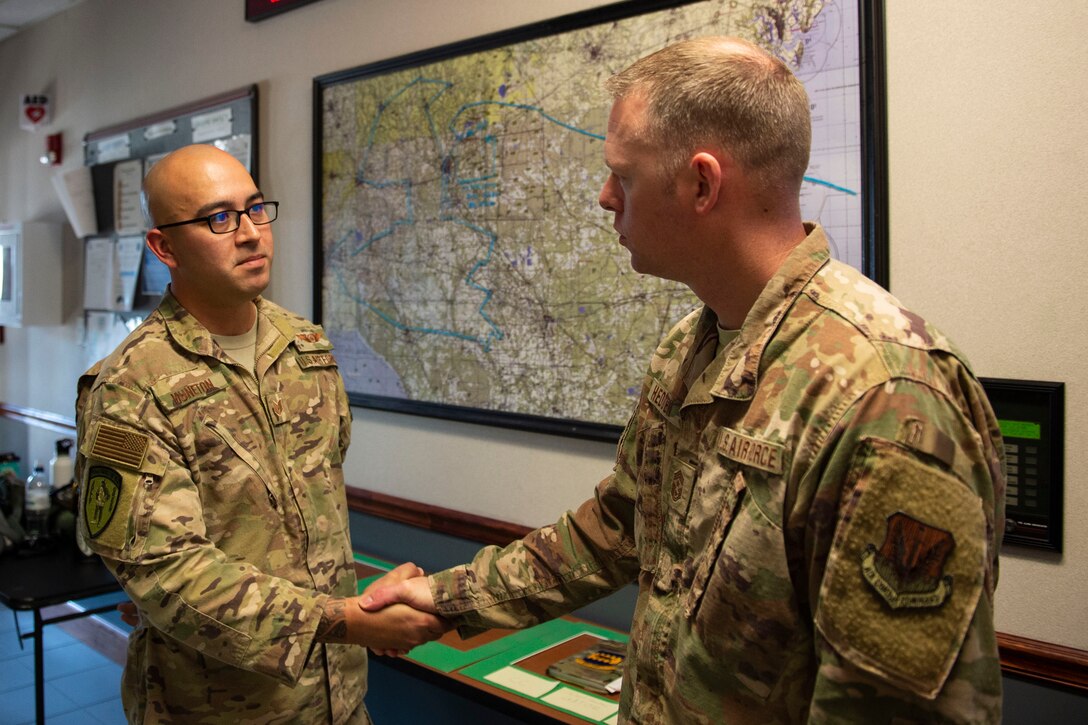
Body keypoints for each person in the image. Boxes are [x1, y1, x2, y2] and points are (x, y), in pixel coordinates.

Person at [362, 36, 1006, 723]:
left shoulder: (884, 395)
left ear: (702, 183)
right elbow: (620, 529)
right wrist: (447, 599)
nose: (605, 196)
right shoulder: (690, 351)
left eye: (624, 175)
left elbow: (892, 709)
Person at [75, 144, 445, 724]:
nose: (249, 233)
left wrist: (366, 606)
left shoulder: (306, 347)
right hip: (216, 707)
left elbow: (313, 512)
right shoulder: (133, 384)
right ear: (163, 246)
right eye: (218, 218)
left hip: (338, 699)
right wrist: (345, 618)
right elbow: (163, 569)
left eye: (255, 209)